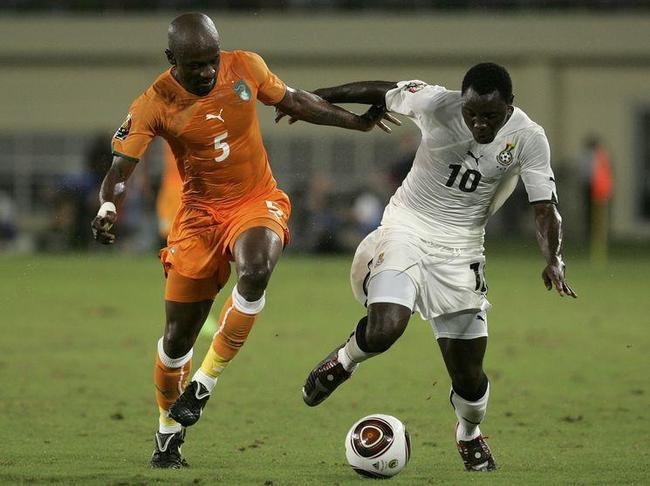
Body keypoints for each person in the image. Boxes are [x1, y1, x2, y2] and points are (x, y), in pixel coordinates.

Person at [90, 12, 392, 469]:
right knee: (176, 341)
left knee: (256, 270)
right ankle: (168, 432)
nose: (208, 71)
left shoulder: (246, 66)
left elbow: (295, 100)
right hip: (198, 218)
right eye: (195, 65)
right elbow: (119, 171)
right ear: (172, 59)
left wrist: (358, 123)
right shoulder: (153, 103)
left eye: (212, 60)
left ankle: (204, 383)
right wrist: (107, 208)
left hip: (256, 201)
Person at [284, 64, 578, 472]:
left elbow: (545, 207)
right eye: (471, 113)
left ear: (509, 106)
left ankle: (469, 433)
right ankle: (344, 361)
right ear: (462, 102)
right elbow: (382, 89)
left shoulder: (529, 137)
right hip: (407, 227)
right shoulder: (437, 103)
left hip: (462, 248)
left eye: (490, 116)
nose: (479, 123)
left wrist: (553, 258)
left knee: (469, 378)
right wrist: (314, 98)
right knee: (386, 327)